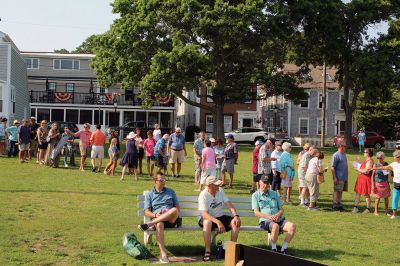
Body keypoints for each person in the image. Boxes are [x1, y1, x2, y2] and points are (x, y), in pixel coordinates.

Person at [138, 172, 180, 264]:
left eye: (164, 179)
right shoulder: (150, 194)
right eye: (161, 180)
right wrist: (156, 215)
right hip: (158, 218)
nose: (163, 181)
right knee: (160, 224)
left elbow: (177, 208)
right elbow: (146, 211)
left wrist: (167, 213)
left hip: (171, 219)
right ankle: (163, 254)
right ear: (155, 181)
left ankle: (149, 224)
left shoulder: (171, 191)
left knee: (174, 210)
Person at [198, 175, 241, 262]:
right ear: (210, 186)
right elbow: (204, 214)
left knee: (235, 222)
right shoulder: (203, 195)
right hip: (207, 218)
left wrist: (236, 216)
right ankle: (207, 251)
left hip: (219, 216)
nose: (218, 186)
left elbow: (229, 204)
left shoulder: (220, 190)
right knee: (207, 223)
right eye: (216, 185)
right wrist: (217, 222)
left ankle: (232, 250)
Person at [252, 176, 296, 254]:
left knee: (292, 226)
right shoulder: (255, 195)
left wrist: (278, 215)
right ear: (259, 183)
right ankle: (274, 249)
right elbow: (256, 212)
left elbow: (281, 209)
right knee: (275, 226)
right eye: (264, 183)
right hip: (265, 220)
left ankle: (283, 249)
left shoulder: (274, 193)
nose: (265, 185)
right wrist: (269, 217)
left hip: (279, 219)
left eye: (267, 183)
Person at [373, 150, 400, 219]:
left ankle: (389, 212)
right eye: (394, 157)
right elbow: (384, 168)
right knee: (394, 199)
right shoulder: (393, 164)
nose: (394, 158)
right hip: (395, 185)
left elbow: (386, 169)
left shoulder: (391, 163)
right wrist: (375, 168)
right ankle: (394, 215)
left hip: (388, 183)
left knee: (389, 198)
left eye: (395, 157)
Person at [352, 148, 374, 213]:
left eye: (365, 152)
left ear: (368, 153)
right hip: (361, 179)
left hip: (365, 179)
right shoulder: (366, 160)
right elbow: (363, 166)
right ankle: (355, 207)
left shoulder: (370, 161)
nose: (364, 153)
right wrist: (358, 161)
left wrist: (357, 169)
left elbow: (366, 171)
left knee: (366, 194)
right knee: (358, 193)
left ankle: (368, 209)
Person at [370, 151, 391, 216]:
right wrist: (373, 185)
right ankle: (375, 211)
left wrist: (389, 173)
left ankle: (386, 211)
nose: (379, 159)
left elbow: (388, 174)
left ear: (383, 157)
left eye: (381, 158)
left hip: (385, 183)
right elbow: (372, 176)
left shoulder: (386, 164)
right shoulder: (375, 165)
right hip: (377, 183)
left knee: (386, 198)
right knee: (377, 198)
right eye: (378, 158)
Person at [331, 142, 348, 211]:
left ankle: (339, 203)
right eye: (344, 146)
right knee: (336, 191)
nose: (345, 147)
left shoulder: (344, 154)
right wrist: (335, 177)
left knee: (341, 191)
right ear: (340, 146)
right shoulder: (336, 155)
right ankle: (334, 205)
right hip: (338, 177)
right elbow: (332, 167)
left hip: (344, 177)